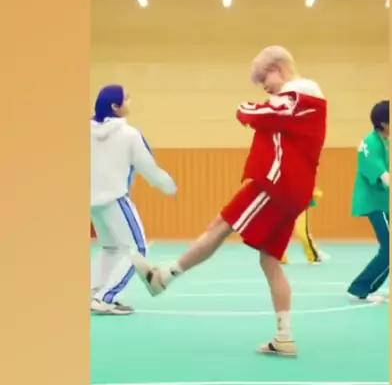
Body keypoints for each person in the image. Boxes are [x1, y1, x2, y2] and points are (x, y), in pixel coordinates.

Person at [133, 46, 327, 357]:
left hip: (277, 184)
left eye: (264, 79)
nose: (263, 87)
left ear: (278, 68)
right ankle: (284, 336)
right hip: (291, 189)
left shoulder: (300, 92)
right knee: (268, 260)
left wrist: (244, 107)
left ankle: (163, 278)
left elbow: (261, 112)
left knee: (221, 225)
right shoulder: (297, 100)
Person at [90, 85, 177, 315]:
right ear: (115, 106)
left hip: (92, 202)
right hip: (116, 199)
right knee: (136, 249)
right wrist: (169, 186)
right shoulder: (129, 135)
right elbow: (148, 167)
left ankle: (93, 293)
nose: (130, 102)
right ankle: (106, 297)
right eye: (126, 99)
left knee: (110, 248)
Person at [347, 100, 390, 304]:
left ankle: (363, 287)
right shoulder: (370, 143)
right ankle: (361, 288)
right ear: (384, 123)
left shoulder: (386, 141)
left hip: (385, 202)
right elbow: (384, 176)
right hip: (375, 202)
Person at [280, 188, 330, 264]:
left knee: (302, 233)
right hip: (282, 204)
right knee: (281, 233)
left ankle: (314, 256)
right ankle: (281, 257)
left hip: (299, 204)